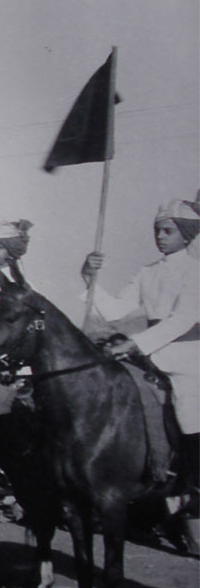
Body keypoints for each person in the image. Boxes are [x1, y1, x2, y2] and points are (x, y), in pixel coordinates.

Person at [82, 197, 200, 553]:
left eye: (168, 231)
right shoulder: (148, 272)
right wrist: (91, 278)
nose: (160, 237)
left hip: (188, 355)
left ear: (187, 235)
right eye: (157, 230)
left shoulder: (196, 270)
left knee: (187, 405)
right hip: (149, 353)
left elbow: (183, 320)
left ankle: (193, 484)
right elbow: (115, 310)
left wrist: (135, 345)